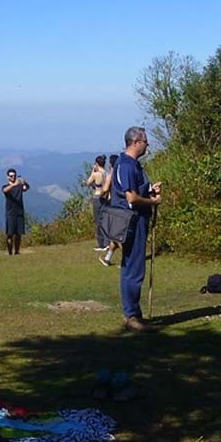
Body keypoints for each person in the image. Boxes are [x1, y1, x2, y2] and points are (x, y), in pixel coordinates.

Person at [112, 127, 161, 331]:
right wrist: (152, 200)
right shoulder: (125, 165)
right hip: (132, 221)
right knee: (134, 268)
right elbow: (130, 197)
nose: (147, 145)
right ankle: (131, 315)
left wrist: (149, 190)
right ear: (135, 142)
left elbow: (135, 191)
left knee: (131, 266)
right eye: (145, 141)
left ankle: (134, 313)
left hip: (136, 219)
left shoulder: (133, 165)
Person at [98, 154, 121, 267]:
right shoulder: (122, 174)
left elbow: (106, 188)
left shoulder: (111, 174)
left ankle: (127, 260)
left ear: (110, 164)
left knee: (117, 235)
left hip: (113, 206)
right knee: (115, 236)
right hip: (123, 207)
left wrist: (100, 194)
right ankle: (107, 258)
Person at [1, 168, 30, 255]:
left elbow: (27, 188)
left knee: (18, 234)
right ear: (8, 177)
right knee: (10, 234)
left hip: (19, 212)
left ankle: (17, 251)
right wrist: (14, 185)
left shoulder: (20, 186)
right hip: (10, 213)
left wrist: (24, 182)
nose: (13, 177)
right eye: (11, 176)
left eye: (14, 175)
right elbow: (4, 190)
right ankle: (10, 252)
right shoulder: (5, 186)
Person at [86, 155, 108, 254]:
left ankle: (101, 244)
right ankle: (107, 241)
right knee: (104, 220)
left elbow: (88, 182)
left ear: (96, 164)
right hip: (105, 197)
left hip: (97, 196)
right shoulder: (107, 173)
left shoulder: (96, 174)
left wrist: (92, 171)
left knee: (98, 220)